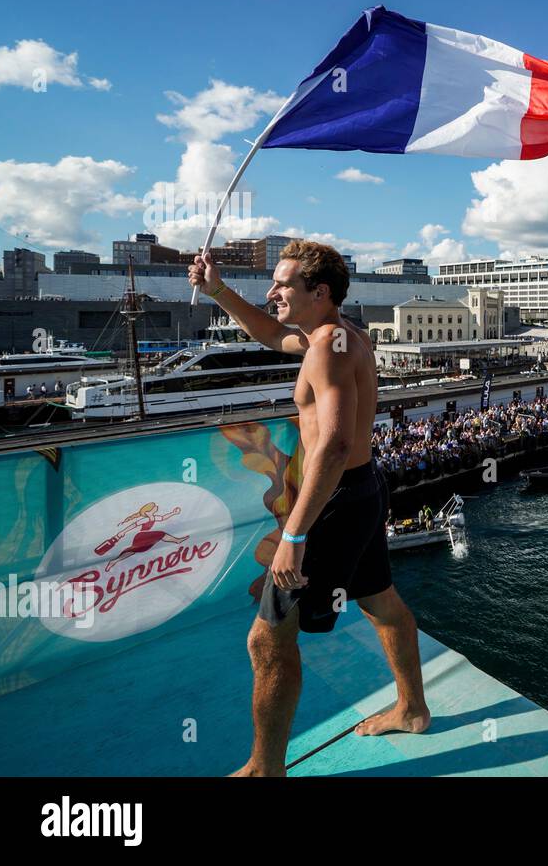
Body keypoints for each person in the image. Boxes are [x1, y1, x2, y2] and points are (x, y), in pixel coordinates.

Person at [189, 240, 430, 777]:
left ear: (319, 292)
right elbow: (272, 334)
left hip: (335, 503)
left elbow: (335, 444)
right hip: (361, 490)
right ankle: (412, 708)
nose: (272, 291)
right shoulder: (334, 336)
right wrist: (218, 291)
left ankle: (264, 769)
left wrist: (294, 538)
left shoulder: (330, 347)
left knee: (268, 638)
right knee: (380, 601)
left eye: (283, 284)